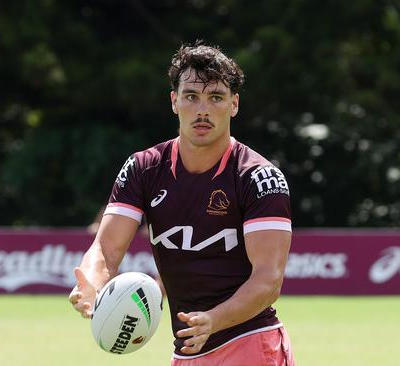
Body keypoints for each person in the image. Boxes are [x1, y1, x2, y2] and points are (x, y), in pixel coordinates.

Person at [69, 42, 295, 365]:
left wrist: (215, 320)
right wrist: (92, 283)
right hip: (188, 351)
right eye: (191, 96)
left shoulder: (259, 177)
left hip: (250, 345)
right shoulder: (143, 169)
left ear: (234, 105)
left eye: (215, 97)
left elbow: (268, 280)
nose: (202, 109)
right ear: (174, 101)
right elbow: (106, 249)